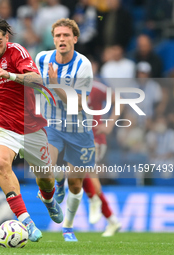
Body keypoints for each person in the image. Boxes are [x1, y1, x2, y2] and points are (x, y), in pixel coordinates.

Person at [0, 17, 62, 242]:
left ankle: (48, 199)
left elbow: (37, 80)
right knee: (1, 163)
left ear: (7, 38)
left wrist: (9, 75)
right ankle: (26, 221)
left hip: (30, 127)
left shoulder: (17, 53)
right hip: (1, 126)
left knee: (46, 179)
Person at [35, 18, 95, 241]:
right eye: (58, 36)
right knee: (47, 170)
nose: (62, 39)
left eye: (66, 36)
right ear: (53, 39)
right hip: (51, 125)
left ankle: (68, 227)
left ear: (75, 39)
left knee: (76, 182)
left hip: (78, 127)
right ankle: (56, 181)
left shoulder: (83, 65)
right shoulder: (41, 58)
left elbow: (78, 104)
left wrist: (56, 83)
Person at [84, 77, 122, 237]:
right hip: (77, 140)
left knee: (85, 173)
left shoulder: (96, 87)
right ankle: (112, 220)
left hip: (95, 139)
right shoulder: (66, 88)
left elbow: (120, 101)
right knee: (84, 178)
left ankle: (94, 201)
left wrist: (110, 124)